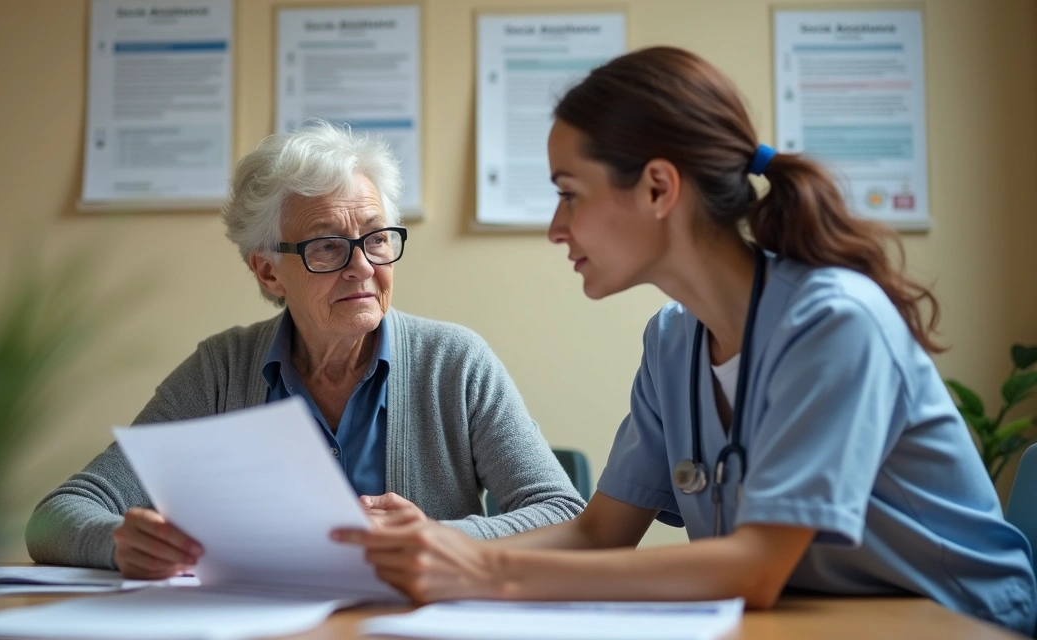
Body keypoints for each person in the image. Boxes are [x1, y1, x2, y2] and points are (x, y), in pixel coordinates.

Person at [333, 47, 1036, 634]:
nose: (556, 227)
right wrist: (429, 553)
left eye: (569, 192)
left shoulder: (833, 321)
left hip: (954, 622)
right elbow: (597, 532)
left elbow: (756, 568)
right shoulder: (673, 341)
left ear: (659, 188)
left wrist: (487, 570)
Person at [26, 122, 584, 579]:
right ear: (269, 270)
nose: (363, 267)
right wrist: (117, 542)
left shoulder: (454, 362)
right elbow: (52, 518)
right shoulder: (220, 371)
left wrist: (440, 537)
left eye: (376, 237)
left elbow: (565, 515)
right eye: (327, 247)